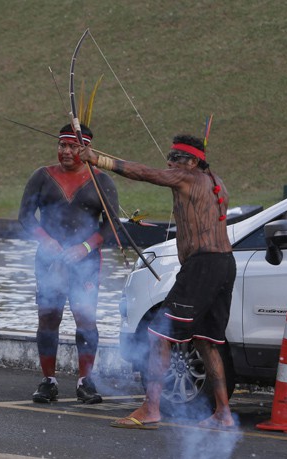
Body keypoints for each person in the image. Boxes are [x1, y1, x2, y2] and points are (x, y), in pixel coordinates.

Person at [81, 134, 236, 430]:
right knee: (206, 340)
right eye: (170, 156)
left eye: (176, 158)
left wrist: (98, 160)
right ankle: (223, 413)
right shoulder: (215, 182)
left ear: (192, 162)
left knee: (159, 334)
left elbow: (146, 173)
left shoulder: (188, 178)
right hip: (223, 265)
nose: (170, 163)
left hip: (203, 265)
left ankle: (151, 408)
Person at [18, 123, 118, 404]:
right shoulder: (42, 176)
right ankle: (48, 380)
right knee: (49, 317)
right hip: (49, 261)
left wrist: (84, 247)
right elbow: (25, 217)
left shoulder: (101, 181)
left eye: (73, 146)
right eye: (62, 145)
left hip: (85, 262)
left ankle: (85, 380)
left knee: (85, 317)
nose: (66, 151)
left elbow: (112, 227)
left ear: (86, 149)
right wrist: (46, 240)